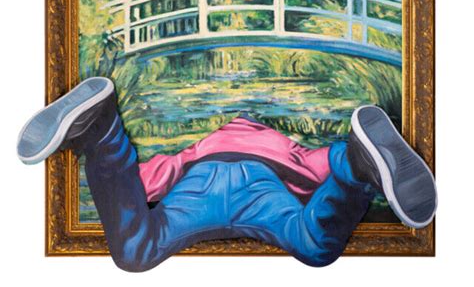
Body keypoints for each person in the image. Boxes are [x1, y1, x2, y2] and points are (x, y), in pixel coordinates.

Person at [17, 77, 437, 272]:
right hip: (262, 181)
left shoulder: (198, 146)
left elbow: (148, 179)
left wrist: (114, 174)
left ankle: (103, 130)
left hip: (202, 178)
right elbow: (315, 163)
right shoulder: (283, 146)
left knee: (134, 251)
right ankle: (360, 164)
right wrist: (343, 163)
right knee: (314, 244)